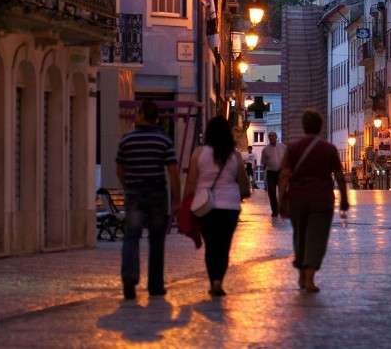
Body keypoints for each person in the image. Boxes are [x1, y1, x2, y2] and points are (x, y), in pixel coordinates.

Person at [116, 100, 180, 300]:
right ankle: (155, 285)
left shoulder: (126, 140)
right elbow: (173, 172)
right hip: (157, 194)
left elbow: (119, 169)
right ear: (157, 118)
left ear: (142, 114)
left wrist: (128, 185)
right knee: (156, 239)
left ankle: (129, 279)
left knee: (131, 236)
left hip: (134, 193)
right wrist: (176, 200)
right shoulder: (164, 141)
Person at [281, 110, 349, 293]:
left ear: (304, 126)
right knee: (316, 238)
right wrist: (344, 199)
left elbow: (284, 176)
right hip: (321, 199)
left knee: (300, 235)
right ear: (320, 127)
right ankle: (309, 277)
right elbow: (340, 176)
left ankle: (302, 273)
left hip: (297, 198)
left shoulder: (293, 148)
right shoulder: (329, 149)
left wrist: (281, 201)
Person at [184, 116, 251, 297]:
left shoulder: (198, 153)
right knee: (224, 246)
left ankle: (213, 280)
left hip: (206, 207)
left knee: (211, 246)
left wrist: (186, 203)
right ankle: (218, 281)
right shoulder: (234, 156)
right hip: (230, 207)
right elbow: (245, 185)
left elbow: (191, 183)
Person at [260, 131, 286, 217]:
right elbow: (263, 163)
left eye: (273, 136)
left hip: (281, 172)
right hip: (271, 173)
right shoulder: (265, 150)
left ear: (276, 137)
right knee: (272, 192)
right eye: (270, 137)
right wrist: (265, 175)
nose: (271, 138)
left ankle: (283, 209)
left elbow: (287, 159)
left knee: (282, 191)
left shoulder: (283, 147)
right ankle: (274, 211)